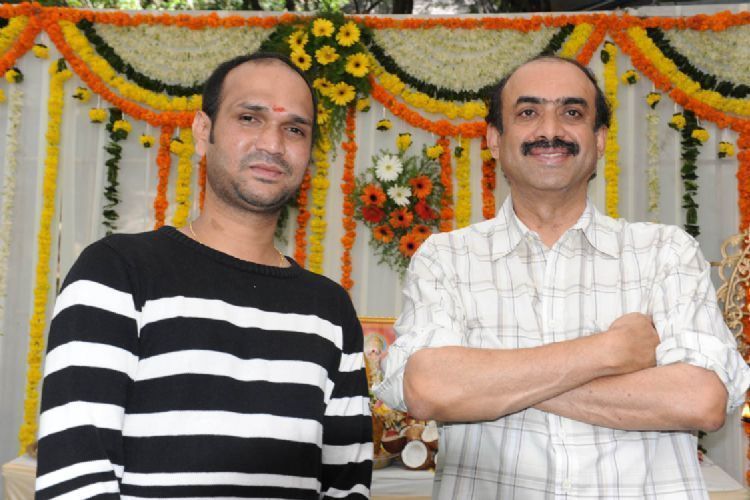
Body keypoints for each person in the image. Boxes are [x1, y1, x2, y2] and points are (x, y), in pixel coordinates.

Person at [375, 55, 750, 499]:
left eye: (572, 113)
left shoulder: (665, 252)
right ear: (494, 139)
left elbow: (700, 399)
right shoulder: (446, 258)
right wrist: (609, 351)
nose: (550, 130)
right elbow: (428, 387)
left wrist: (487, 378)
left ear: (599, 139)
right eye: (528, 112)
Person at [36, 53, 372, 499]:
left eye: (295, 129)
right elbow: (74, 480)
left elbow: (347, 486)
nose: (273, 144)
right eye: (249, 118)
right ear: (202, 132)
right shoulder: (117, 272)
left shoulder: (329, 309)